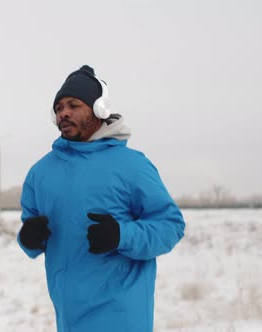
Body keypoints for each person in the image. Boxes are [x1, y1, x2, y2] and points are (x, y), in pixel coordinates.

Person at [17, 65, 185, 332]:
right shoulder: (40, 174)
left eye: (74, 105)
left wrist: (122, 235)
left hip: (122, 317)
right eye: (59, 108)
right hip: (69, 318)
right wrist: (27, 239)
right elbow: (31, 232)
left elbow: (170, 225)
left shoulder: (132, 166)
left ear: (99, 109)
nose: (64, 113)